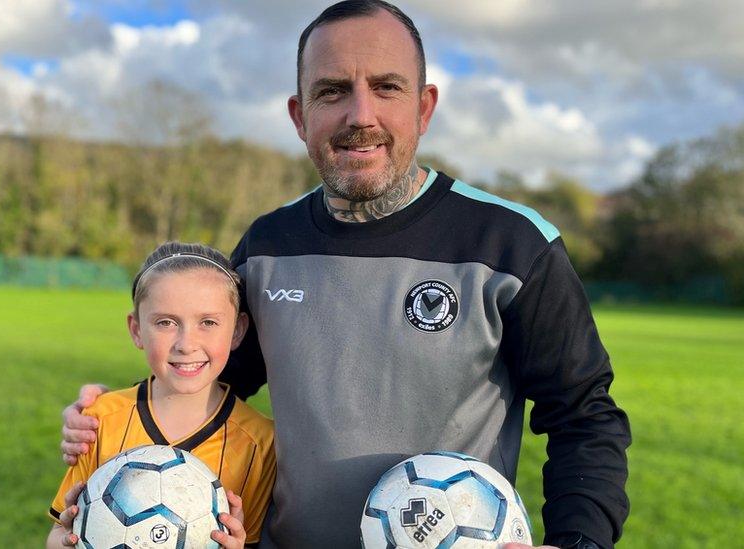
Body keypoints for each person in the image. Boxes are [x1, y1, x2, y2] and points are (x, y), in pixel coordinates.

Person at [60, 2, 630, 548]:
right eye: (331, 91)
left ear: (424, 108)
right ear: (299, 115)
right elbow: (210, 379)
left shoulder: (512, 244)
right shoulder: (266, 247)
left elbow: (583, 414)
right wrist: (116, 415)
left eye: (387, 87)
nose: (361, 116)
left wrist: (579, 541)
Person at [47, 242, 276, 548]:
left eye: (208, 322)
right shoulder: (99, 421)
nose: (186, 343)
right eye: (166, 322)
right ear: (137, 329)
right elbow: (58, 535)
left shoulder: (260, 442)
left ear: (237, 330)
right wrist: (68, 540)